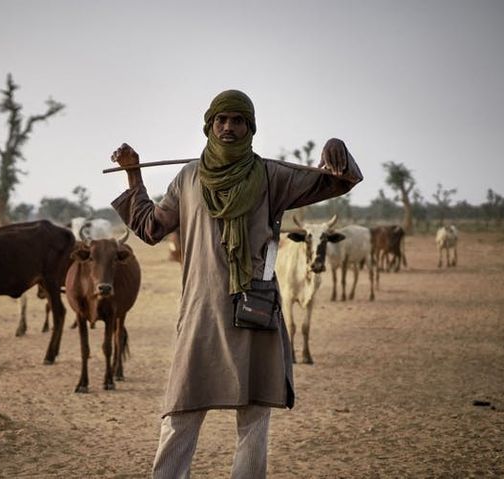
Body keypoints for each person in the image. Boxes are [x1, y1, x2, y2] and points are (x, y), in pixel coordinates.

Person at [110, 89, 363, 478]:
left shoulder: (270, 175)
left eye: (238, 120)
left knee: (254, 415)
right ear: (209, 126)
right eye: (221, 120)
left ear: (250, 128)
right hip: (202, 310)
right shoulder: (189, 177)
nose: (228, 127)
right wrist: (134, 173)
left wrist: (336, 150)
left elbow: (336, 182)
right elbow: (151, 227)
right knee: (181, 410)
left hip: (254, 307)